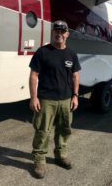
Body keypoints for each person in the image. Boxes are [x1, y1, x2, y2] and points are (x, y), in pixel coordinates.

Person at [29, 20, 81, 179]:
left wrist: (75, 95)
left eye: (62, 31)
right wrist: (34, 98)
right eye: (56, 31)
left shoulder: (71, 54)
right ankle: (39, 159)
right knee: (42, 131)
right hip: (46, 100)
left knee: (64, 129)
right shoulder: (43, 52)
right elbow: (33, 75)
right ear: (52, 33)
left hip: (66, 100)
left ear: (67, 34)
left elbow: (75, 75)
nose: (59, 34)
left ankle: (61, 155)